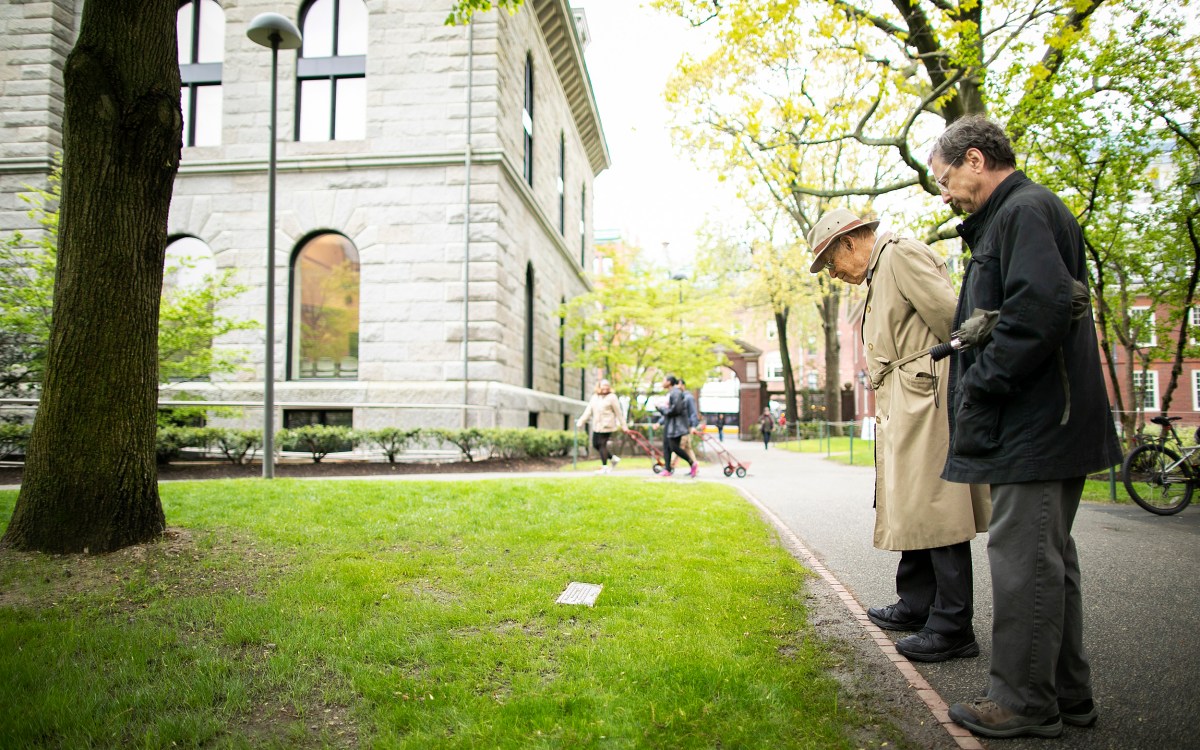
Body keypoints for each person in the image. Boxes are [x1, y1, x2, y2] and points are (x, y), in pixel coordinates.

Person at [929, 116, 1122, 739]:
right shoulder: (1020, 213)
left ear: (976, 160)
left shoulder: (1023, 211)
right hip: (1045, 422)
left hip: (1037, 426)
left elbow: (1037, 309)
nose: (943, 191)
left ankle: (1023, 703)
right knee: (1048, 564)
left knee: (1023, 564)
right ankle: (1070, 696)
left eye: (946, 177)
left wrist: (981, 380)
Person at [807, 207, 990, 665]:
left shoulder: (901, 255)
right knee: (911, 500)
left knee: (936, 505)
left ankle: (952, 626)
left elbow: (956, 320)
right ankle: (917, 603)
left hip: (925, 397)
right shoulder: (880, 271)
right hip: (906, 399)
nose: (833, 274)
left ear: (850, 241)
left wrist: (932, 377)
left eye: (831, 262)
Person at [576, 379, 627, 474]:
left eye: (607, 385)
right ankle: (613, 458)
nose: (605, 387)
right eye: (603, 385)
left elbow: (618, 412)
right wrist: (581, 421)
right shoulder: (595, 397)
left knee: (602, 444)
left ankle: (604, 467)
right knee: (596, 444)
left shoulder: (612, 397)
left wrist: (624, 425)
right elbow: (588, 411)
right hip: (597, 425)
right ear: (599, 386)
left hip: (607, 425)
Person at [656, 374, 696, 477]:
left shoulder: (676, 393)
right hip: (670, 424)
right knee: (666, 447)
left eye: (663, 380)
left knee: (674, 447)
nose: (662, 382)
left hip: (676, 426)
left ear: (669, 382)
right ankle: (667, 469)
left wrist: (661, 409)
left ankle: (692, 463)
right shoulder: (671, 393)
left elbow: (676, 409)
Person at [678, 378, 701, 469]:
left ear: (683, 385)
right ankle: (695, 466)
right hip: (684, 426)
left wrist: (693, 426)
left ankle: (670, 466)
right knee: (687, 447)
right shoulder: (681, 397)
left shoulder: (688, 398)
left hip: (686, 427)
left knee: (679, 446)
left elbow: (693, 413)